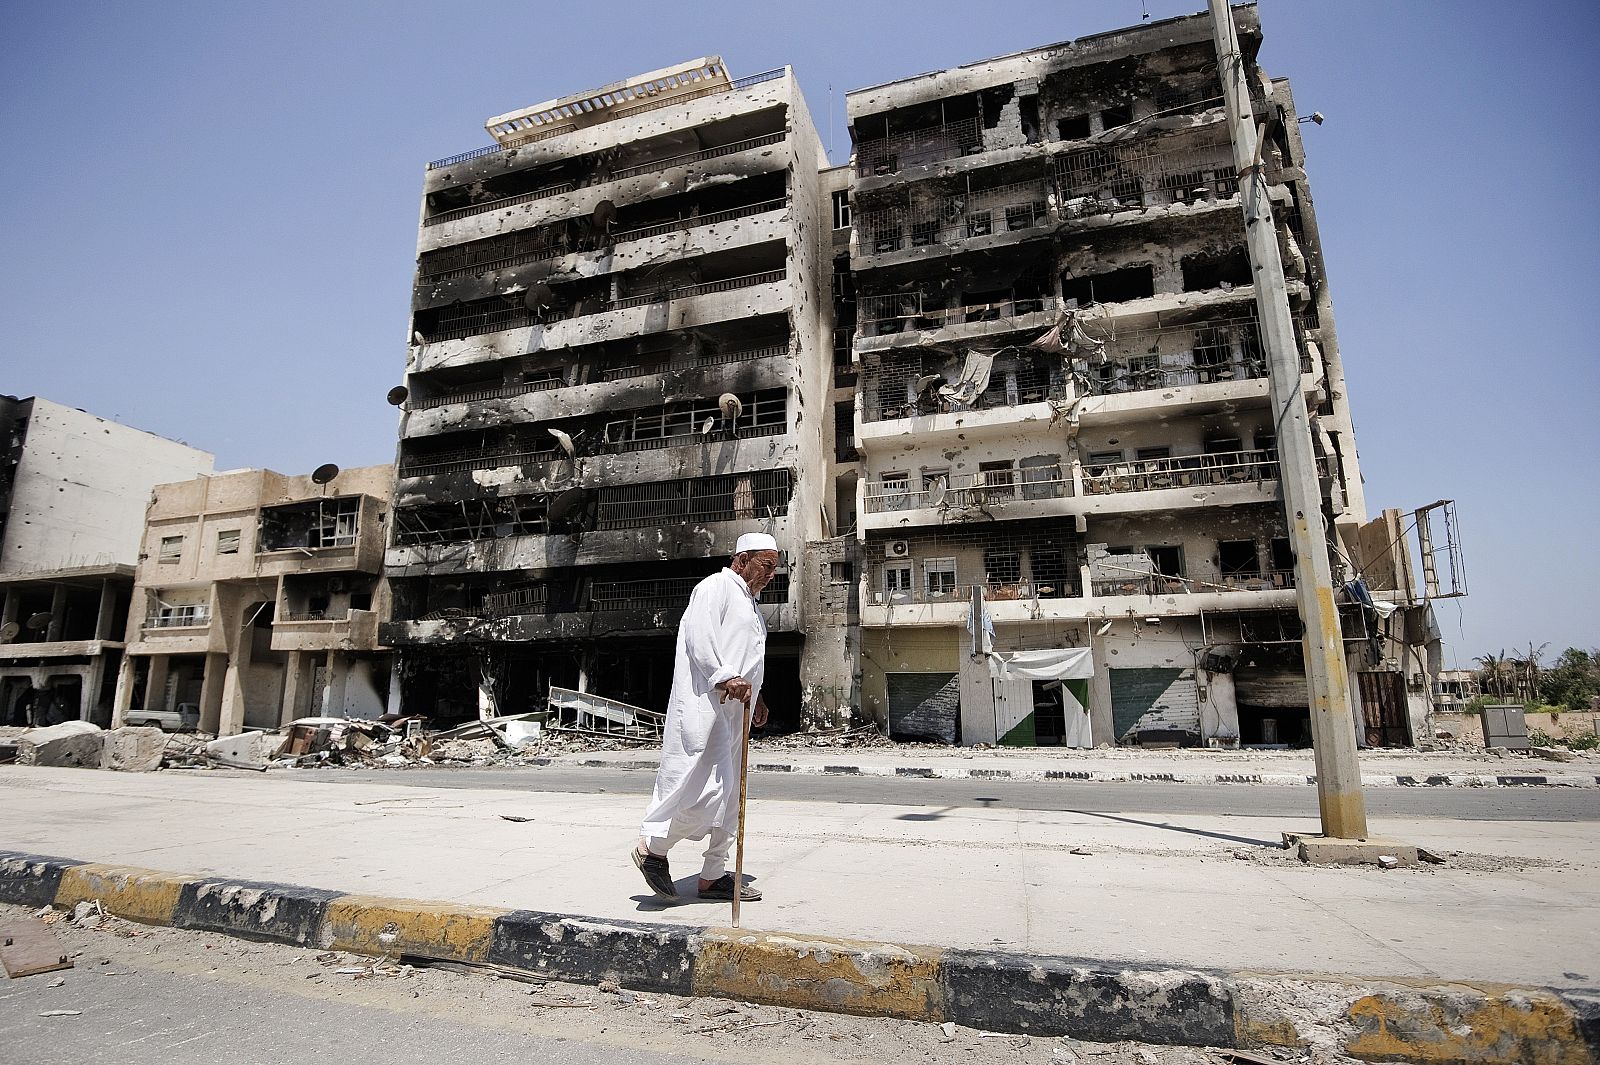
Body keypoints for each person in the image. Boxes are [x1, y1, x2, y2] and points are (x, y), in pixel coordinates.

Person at [632, 533, 777, 902]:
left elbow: (746, 656)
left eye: (776, 569)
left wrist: (757, 696)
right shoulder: (716, 587)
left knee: (731, 798)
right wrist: (726, 676)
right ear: (742, 559)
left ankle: (713, 875)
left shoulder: (750, 604)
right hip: (707, 710)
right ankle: (653, 849)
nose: (771, 575)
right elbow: (700, 639)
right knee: (705, 792)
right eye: (766, 566)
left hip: (735, 713)